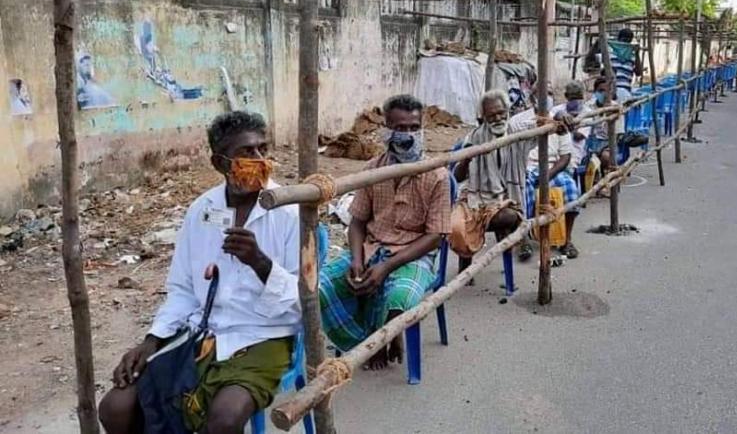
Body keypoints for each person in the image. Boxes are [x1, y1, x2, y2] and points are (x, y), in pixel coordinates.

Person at [99, 111, 301, 434]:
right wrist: (151, 342)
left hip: (264, 334)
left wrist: (260, 263)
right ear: (219, 163)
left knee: (224, 418)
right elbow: (182, 289)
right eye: (246, 153)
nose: (259, 159)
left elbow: (303, 302)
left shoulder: (289, 212)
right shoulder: (202, 211)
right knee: (115, 408)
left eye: (263, 149)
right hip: (204, 332)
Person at [319, 95, 451, 370]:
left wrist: (387, 266)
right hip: (370, 247)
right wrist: (356, 260)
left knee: (400, 297)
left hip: (412, 255)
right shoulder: (372, 170)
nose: (408, 134)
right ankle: (363, 343)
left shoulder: (436, 175)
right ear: (386, 130)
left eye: (414, 127)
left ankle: (389, 337)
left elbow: (435, 236)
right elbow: (357, 222)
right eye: (400, 128)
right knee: (319, 286)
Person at [451, 90, 533, 271]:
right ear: (484, 117)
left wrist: (559, 117)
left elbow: (545, 123)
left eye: (501, 113)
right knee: (457, 225)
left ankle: (514, 238)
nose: (497, 118)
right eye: (491, 115)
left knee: (508, 216)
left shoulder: (517, 131)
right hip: (475, 198)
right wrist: (467, 159)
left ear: (507, 111)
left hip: (508, 199)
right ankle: (465, 269)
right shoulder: (474, 137)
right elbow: (457, 177)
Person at [517, 109, 581, 259]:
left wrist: (548, 175)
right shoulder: (522, 121)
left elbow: (565, 157)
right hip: (527, 167)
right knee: (522, 188)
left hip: (551, 168)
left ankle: (567, 240)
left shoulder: (559, 122)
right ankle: (523, 238)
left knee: (570, 187)